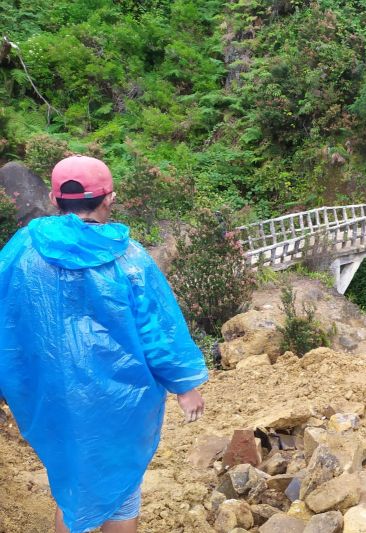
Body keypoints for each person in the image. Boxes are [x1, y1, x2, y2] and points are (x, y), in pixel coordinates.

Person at [0, 155, 209, 533]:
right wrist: (184, 385)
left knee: (74, 485)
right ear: (109, 198)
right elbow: (155, 330)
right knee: (122, 492)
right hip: (119, 400)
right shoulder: (129, 258)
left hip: (56, 395)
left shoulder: (23, 249)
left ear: (53, 197)